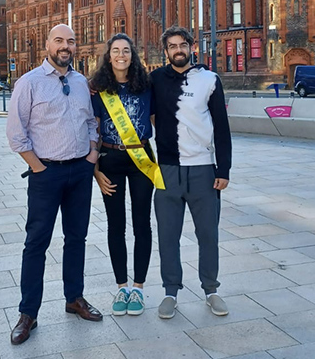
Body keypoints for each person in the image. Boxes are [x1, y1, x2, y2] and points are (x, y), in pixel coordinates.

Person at [6, 24, 102, 345]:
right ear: (47, 45)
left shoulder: (79, 83)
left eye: (71, 41)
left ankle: (74, 298)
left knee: (76, 238)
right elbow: (16, 134)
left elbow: (91, 122)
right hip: (46, 174)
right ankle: (28, 313)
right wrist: (38, 168)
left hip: (80, 172)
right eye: (59, 40)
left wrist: (91, 157)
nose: (65, 46)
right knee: (37, 242)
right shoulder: (29, 83)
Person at [151, 26, 232, 320]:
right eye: (172, 46)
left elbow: (222, 127)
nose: (178, 50)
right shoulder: (156, 79)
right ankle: (170, 291)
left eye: (182, 44)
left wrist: (224, 168)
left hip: (202, 169)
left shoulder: (209, 79)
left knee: (208, 234)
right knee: (167, 235)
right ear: (166, 51)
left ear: (191, 46)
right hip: (168, 170)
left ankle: (211, 289)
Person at [91, 33, 160, 317]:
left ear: (133, 55)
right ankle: (122, 286)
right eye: (116, 50)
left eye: (126, 50)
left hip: (142, 157)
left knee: (142, 223)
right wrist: (94, 170)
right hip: (110, 158)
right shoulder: (97, 89)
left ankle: (139, 287)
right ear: (108, 56)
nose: (121, 55)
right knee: (115, 224)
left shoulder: (146, 86)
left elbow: (157, 121)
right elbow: (92, 129)